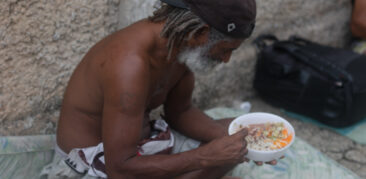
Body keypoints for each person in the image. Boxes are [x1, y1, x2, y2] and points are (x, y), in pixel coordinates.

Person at [41, 0, 279, 178]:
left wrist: (241, 143)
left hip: (137, 144)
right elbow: (120, 169)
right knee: (215, 159)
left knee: (238, 131)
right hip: (95, 163)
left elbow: (181, 111)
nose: (226, 59)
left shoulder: (180, 46)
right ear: (200, 33)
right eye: (226, 49)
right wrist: (206, 156)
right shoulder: (129, 64)